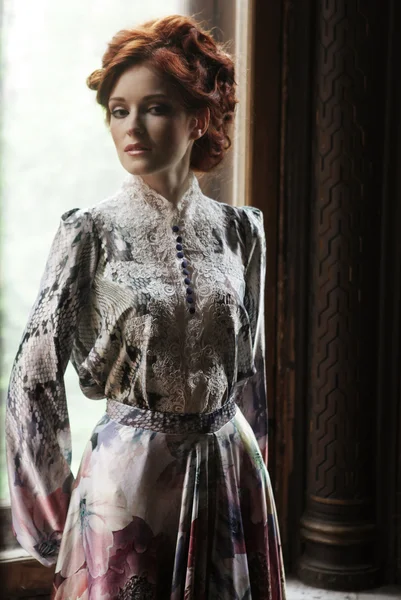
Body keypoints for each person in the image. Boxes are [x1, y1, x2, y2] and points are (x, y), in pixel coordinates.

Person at [5, 14, 286, 600]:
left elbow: (248, 368)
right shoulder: (90, 233)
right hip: (126, 485)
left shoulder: (241, 232)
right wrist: (59, 519)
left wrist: (250, 470)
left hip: (229, 470)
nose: (132, 126)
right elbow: (31, 378)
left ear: (198, 117)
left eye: (154, 107)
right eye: (118, 110)